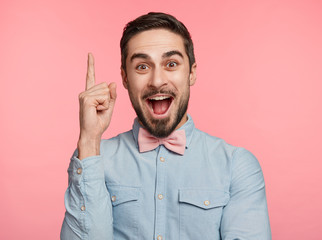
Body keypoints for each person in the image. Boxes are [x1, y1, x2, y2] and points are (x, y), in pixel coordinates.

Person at [60, 12, 271, 240]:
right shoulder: (93, 159)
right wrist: (90, 141)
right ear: (124, 78)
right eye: (142, 67)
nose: (157, 80)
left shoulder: (236, 166)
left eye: (171, 64)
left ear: (191, 72)